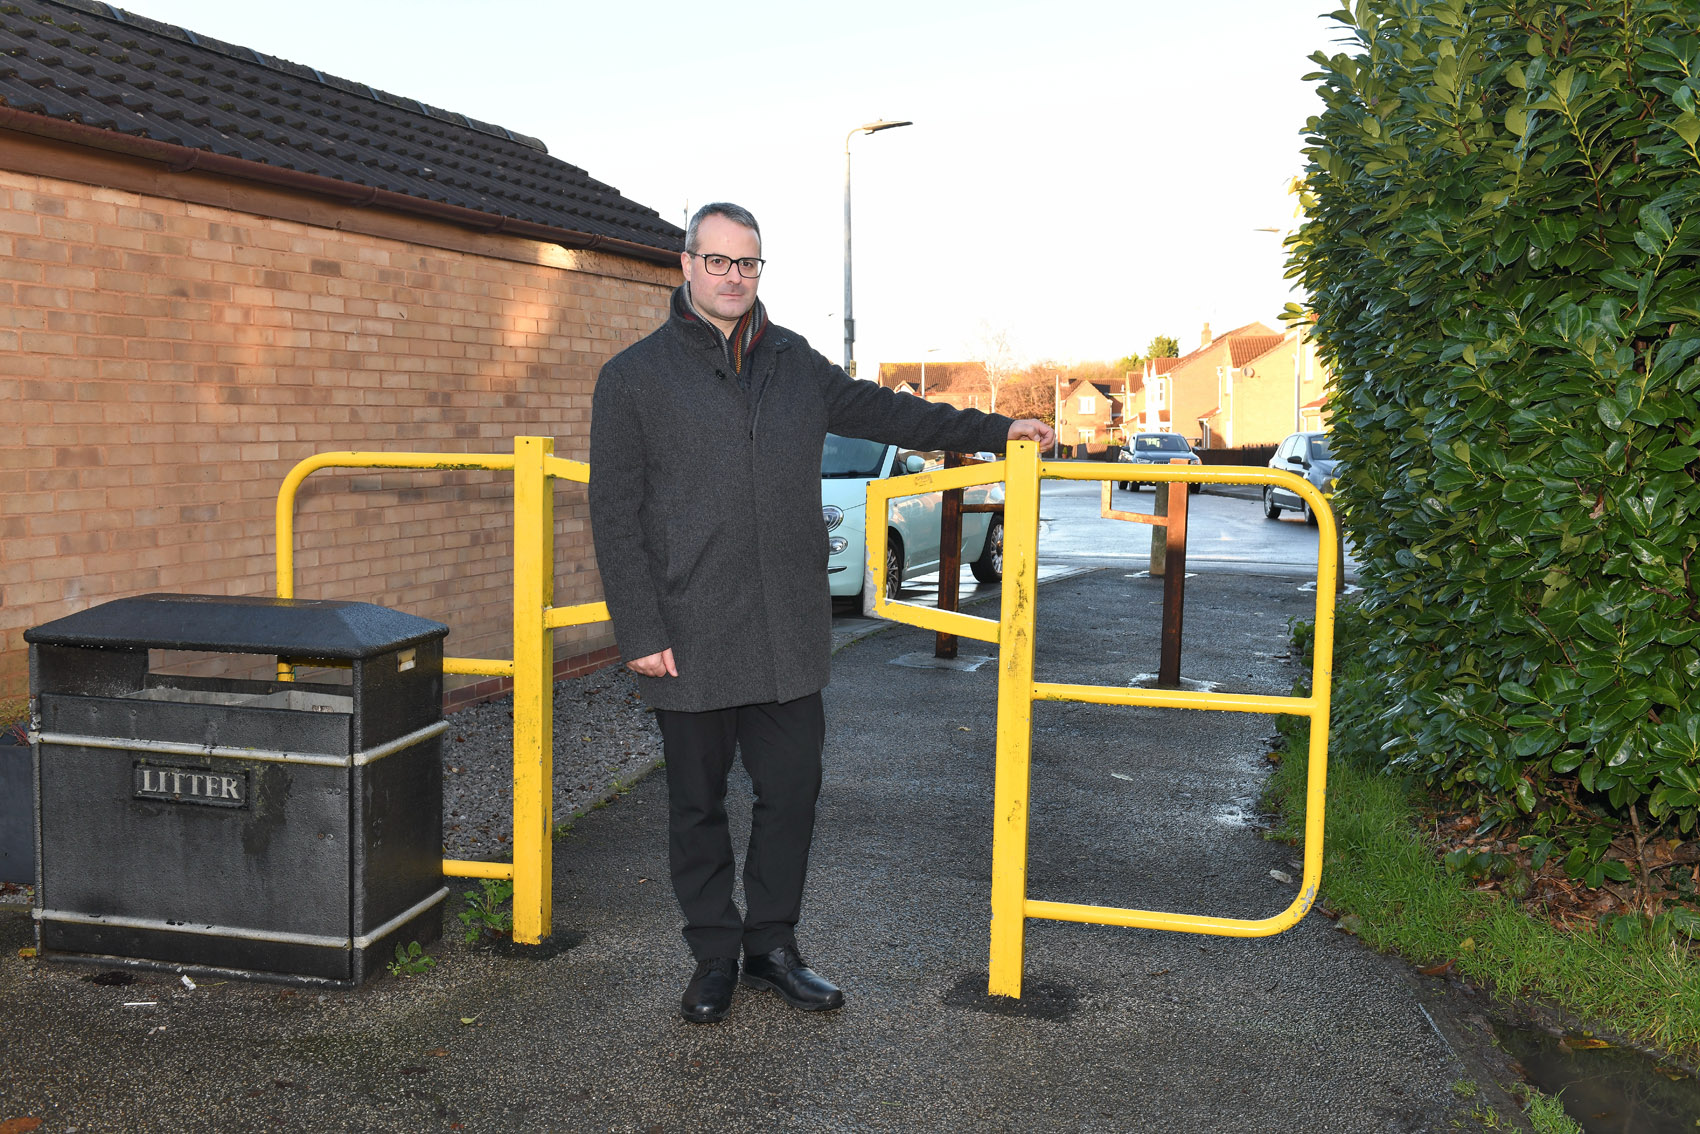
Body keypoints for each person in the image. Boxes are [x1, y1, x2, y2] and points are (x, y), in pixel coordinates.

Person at [588, 202, 1054, 1024]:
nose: (735, 278)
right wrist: (642, 629)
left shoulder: (794, 364)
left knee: (792, 793)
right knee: (695, 805)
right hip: (687, 635)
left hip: (785, 633)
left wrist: (996, 427)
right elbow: (614, 514)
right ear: (686, 264)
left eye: (749, 264)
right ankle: (712, 956)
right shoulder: (632, 378)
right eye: (720, 261)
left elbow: (893, 412)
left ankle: (771, 946)